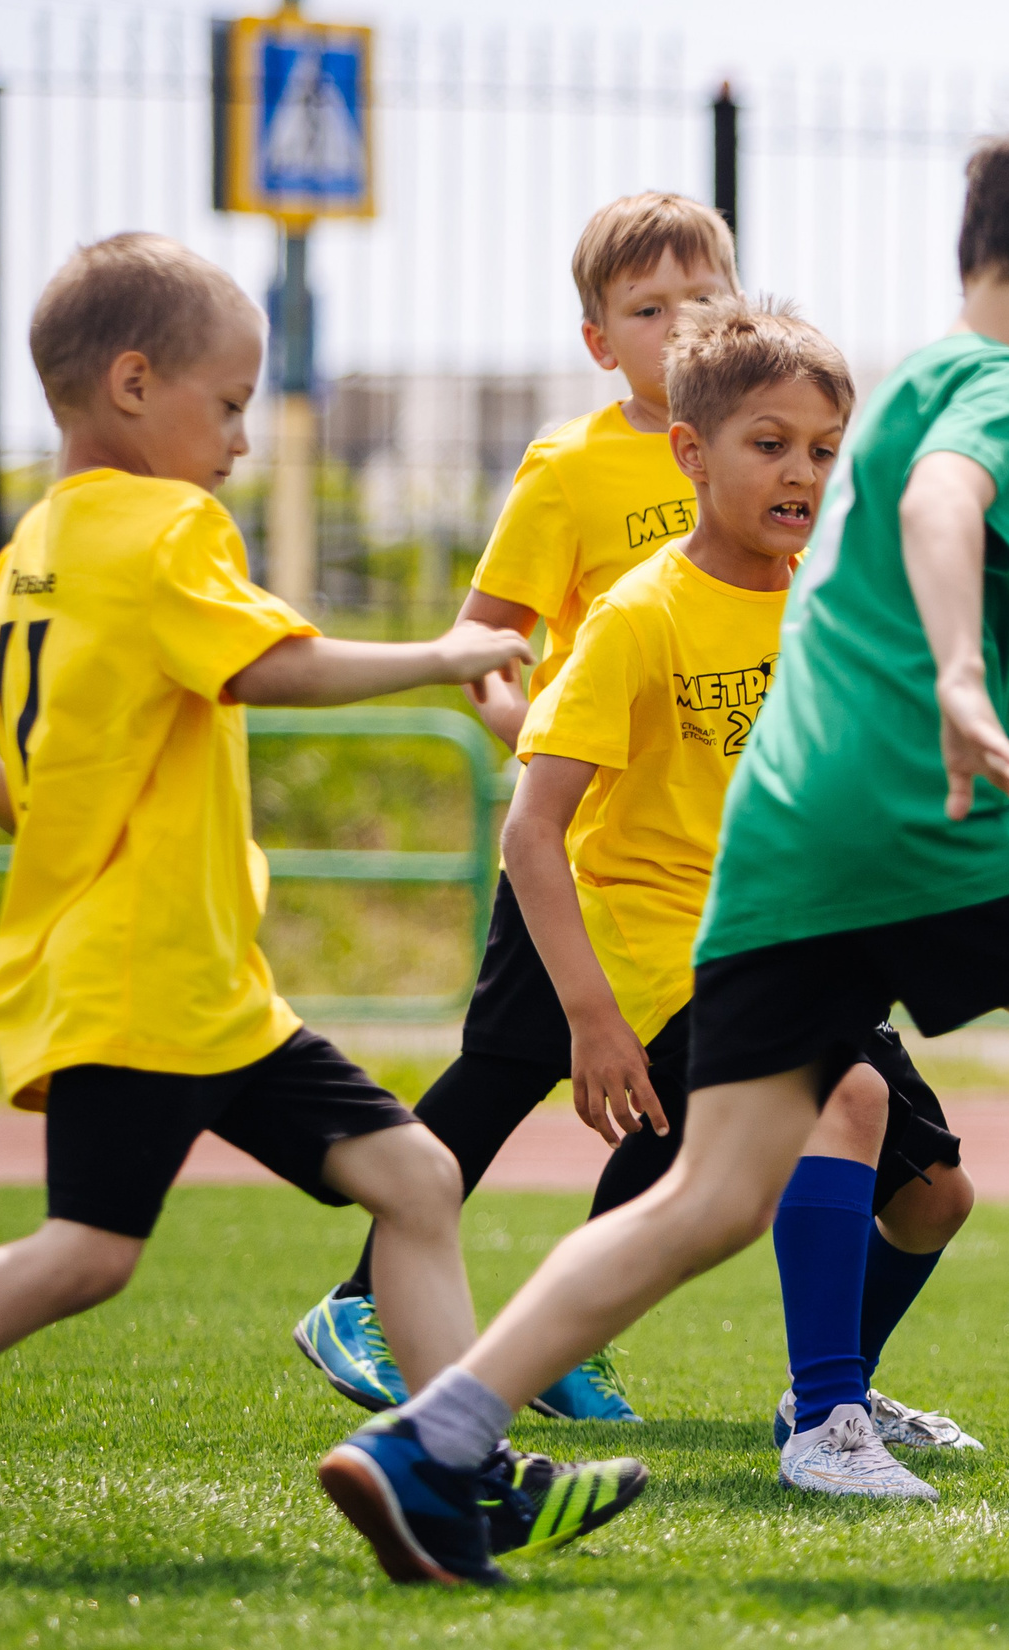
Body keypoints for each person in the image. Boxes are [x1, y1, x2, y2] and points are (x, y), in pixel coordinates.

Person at [316, 110, 1009, 1586]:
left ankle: (435, 1439)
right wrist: (952, 681)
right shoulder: (1005, 387)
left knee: (715, 1192)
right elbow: (949, 527)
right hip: (903, 819)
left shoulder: (906, 390)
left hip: (783, 845)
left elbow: (952, 619)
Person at [0, 233, 645, 1586]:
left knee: (413, 1175)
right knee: (86, 1250)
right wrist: (443, 653)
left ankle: (455, 1473)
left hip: (178, 977)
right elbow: (271, 663)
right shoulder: (164, 527)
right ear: (135, 385)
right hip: (154, 973)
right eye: (231, 403)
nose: (245, 440)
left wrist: (44, 812)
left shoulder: (42, 543)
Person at [500, 296, 978, 1501]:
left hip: (794, 944)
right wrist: (592, 1017)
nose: (800, 473)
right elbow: (531, 829)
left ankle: (832, 1388)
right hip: (674, 949)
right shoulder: (639, 614)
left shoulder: (823, 599)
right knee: (850, 1093)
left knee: (933, 1197)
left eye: (824, 449)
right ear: (689, 449)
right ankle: (825, 1428)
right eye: (769, 443)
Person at [291, 191, 738, 1424]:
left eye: (699, 300)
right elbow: (485, 641)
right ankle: (365, 1297)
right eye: (646, 310)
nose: (676, 326)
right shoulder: (571, 464)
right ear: (600, 340)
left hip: (700, 854)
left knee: (686, 1094)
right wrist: (538, 740)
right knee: (508, 1074)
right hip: (581, 851)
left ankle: (557, 1330)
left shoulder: (763, 445)